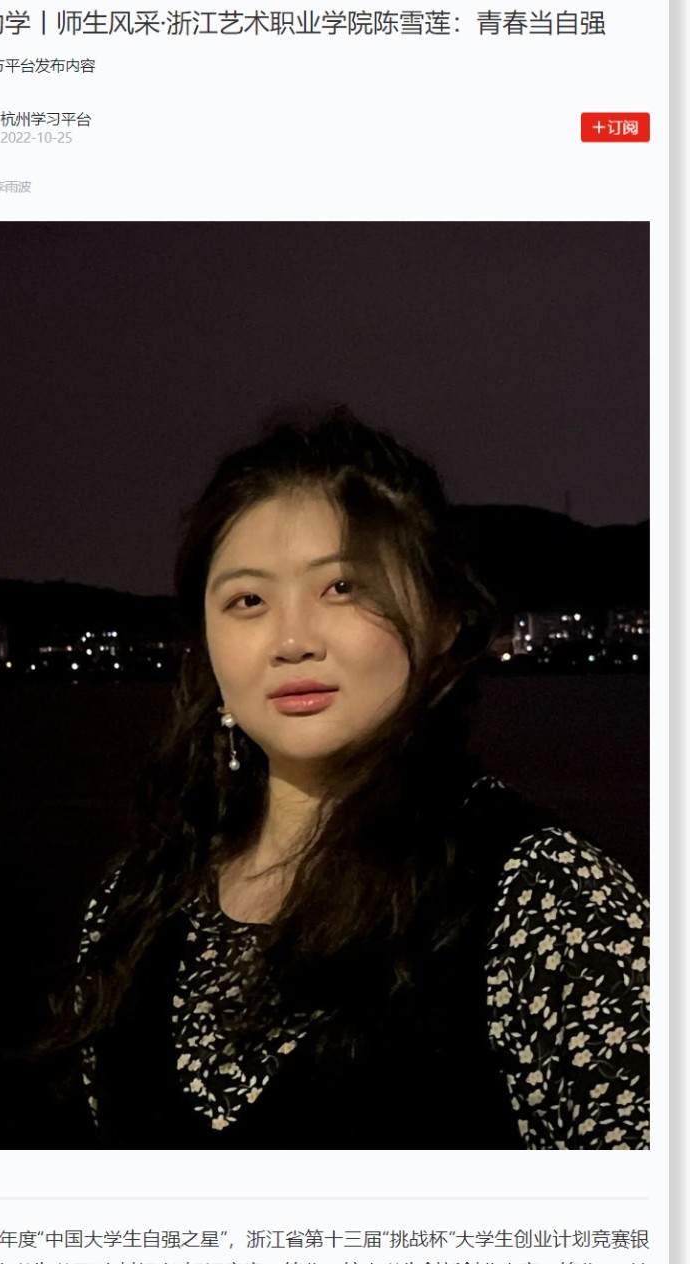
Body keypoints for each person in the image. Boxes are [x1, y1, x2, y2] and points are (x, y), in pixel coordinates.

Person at [55, 409, 649, 1150]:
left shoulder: (544, 900)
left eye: (342, 586)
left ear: (444, 619)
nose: (292, 640)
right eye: (247, 600)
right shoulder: (138, 903)